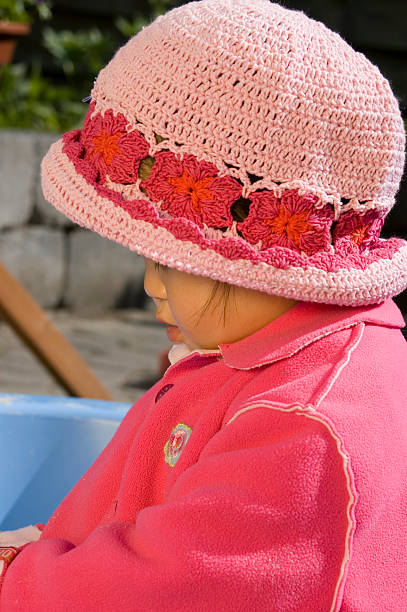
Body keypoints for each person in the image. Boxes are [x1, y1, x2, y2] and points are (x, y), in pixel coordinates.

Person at [1, 0, 407, 609]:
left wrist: (17, 577)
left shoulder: (303, 428)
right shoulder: (260, 352)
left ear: (253, 259)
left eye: (169, 261)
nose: (149, 286)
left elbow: (160, 590)